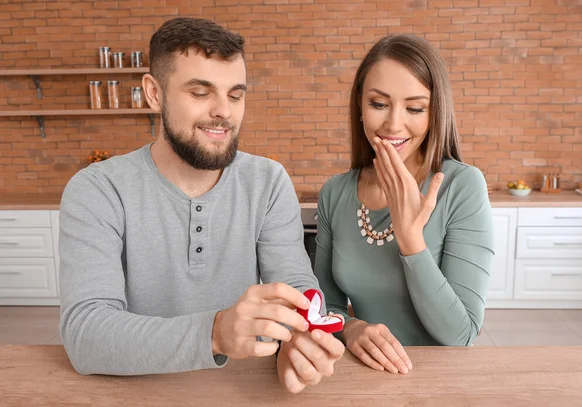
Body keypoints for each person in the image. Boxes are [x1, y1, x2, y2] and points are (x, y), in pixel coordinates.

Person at [59, 17, 344, 394]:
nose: (224, 111)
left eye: (236, 94)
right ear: (154, 93)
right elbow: (87, 335)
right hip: (131, 392)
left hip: (239, 391)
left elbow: (296, 288)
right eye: (200, 92)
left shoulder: (268, 180)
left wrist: (302, 336)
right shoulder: (98, 189)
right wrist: (215, 332)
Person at [314, 34, 494, 375]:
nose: (393, 124)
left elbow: (461, 334)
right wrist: (351, 329)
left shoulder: (462, 186)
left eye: (415, 108)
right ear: (359, 105)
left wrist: (411, 239)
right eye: (379, 104)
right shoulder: (335, 193)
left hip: (437, 381)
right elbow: (326, 304)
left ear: (435, 111)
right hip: (361, 375)